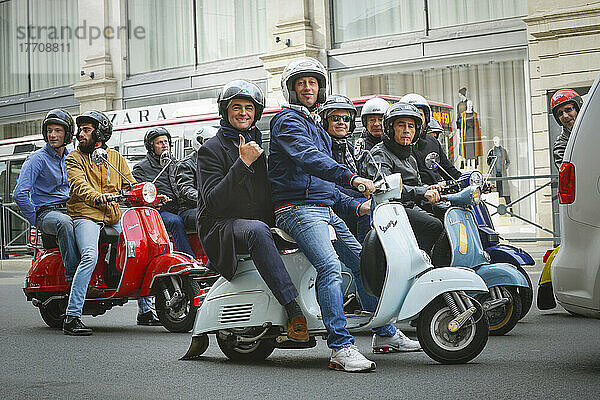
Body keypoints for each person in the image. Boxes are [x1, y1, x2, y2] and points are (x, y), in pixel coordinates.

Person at [268, 57, 420, 373]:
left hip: (322, 209)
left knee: (364, 262)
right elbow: (309, 160)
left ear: (319, 87)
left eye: (312, 82)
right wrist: (352, 179)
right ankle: (340, 346)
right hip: (296, 210)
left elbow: (324, 185)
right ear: (292, 89)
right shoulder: (287, 122)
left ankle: (385, 333)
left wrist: (357, 205)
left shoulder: (316, 127)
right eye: (301, 83)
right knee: (331, 267)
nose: (308, 87)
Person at [196, 80, 309, 342]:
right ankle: (293, 309)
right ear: (225, 111)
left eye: (249, 108)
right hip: (220, 226)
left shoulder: (257, 143)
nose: (243, 113)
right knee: (258, 230)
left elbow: (265, 192)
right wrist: (243, 162)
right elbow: (213, 202)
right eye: (237, 107)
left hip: (253, 220)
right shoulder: (211, 149)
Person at [63, 110, 159, 336]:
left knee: (142, 250)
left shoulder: (115, 158)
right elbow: (78, 184)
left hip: (113, 216)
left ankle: (145, 311)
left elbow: (130, 183)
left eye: (86, 130)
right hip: (85, 214)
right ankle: (72, 315)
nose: (80, 135)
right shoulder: (74, 158)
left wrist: (150, 195)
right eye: (81, 130)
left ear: (100, 133)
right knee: (89, 255)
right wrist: (97, 196)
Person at [362, 102, 445, 258]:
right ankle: (420, 264)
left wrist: (432, 189)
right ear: (390, 128)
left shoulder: (410, 157)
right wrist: (422, 192)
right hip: (391, 211)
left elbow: (417, 185)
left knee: (447, 215)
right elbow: (385, 187)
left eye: (411, 126)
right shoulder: (380, 154)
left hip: (410, 206)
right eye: (401, 125)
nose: (407, 131)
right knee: (434, 226)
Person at [13, 109, 79, 282]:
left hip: (70, 209)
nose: (53, 135)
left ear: (67, 134)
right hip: (47, 213)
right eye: (49, 131)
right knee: (64, 223)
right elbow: (19, 193)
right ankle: (73, 278)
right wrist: (34, 218)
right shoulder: (37, 159)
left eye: (58, 131)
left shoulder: (72, 157)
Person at [133, 127, 194, 256]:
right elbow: (136, 193)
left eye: (166, 142)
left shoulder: (175, 163)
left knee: (202, 215)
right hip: (158, 212)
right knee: (175, 222)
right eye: (159, 142)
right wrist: (154, 199)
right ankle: (189, 259)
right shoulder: (141, 168)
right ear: (151, 147)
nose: (164, 145)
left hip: (180, 208)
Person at [318, 95, 370, 243]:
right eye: (335, 118)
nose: (341, 122)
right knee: (367, 211)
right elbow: (329, 186)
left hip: (352, 202)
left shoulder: (352, 149)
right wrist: (360, 193)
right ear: (324, 121)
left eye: (346, 119)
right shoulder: (321, 149)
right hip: (335, 206)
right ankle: (365, 255)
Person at [400, 93, 461, 186]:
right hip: (413, 197)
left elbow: (448, 170)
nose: (416, 120)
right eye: (411, 117)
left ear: (426, 118)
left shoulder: (432, 142)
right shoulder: (396, 146)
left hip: (438, 195)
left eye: (419, 115)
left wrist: (469, 181)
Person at [175, 126, 218, 230]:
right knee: (215, 219)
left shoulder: (218, 161)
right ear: (199, 142)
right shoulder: (186, 164)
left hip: (214, 206)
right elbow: (185, 189)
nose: (215, 145)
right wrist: (206, 199)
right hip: (190, 209)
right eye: (210, 141)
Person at [551, 89, 583, 170]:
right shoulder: (561, 146)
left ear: (578, 109)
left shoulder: (593, 130)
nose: (565, 116)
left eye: (568, 109)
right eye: (560, 113)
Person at [355, 97, 390, 169]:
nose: (376, 124)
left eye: (380, 120)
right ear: (365, 123)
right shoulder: (362, 147)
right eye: (372, 120)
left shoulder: (395, 145)